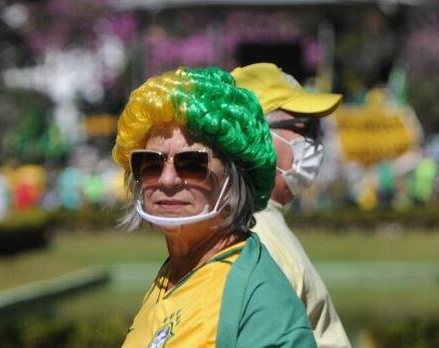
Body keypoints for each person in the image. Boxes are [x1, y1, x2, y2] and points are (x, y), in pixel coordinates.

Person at [112, 67, 314, 347]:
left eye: (192, 163)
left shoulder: (258, 298)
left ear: (235, 176)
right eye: (151, 162)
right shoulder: (172, 275)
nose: (167, 179)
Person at [232, 62, 351, 348]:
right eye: (306, 127)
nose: (315, 142)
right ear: (258, 135)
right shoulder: (253, 236)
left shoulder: (261, 220)